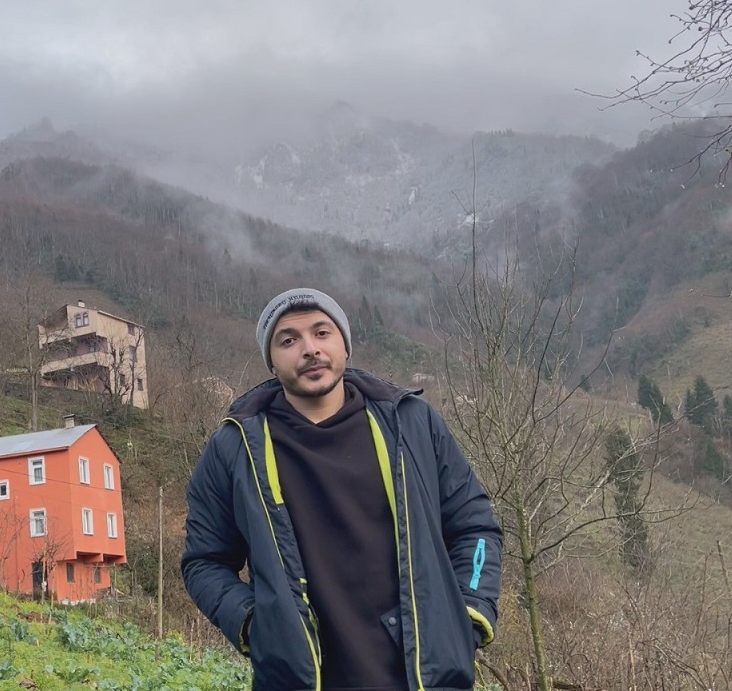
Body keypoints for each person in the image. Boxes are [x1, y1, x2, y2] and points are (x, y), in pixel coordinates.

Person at [182, 288, 502, 691]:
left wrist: (469, 612)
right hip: (305, 677)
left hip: (424, 674)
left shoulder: (411, 424)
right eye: (288, 340)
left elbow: (474, 526)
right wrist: (254, 626)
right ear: (271, 362)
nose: (309, 349)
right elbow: (204, 562)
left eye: (322, 333)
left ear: (345, 345)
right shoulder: (235, 449)